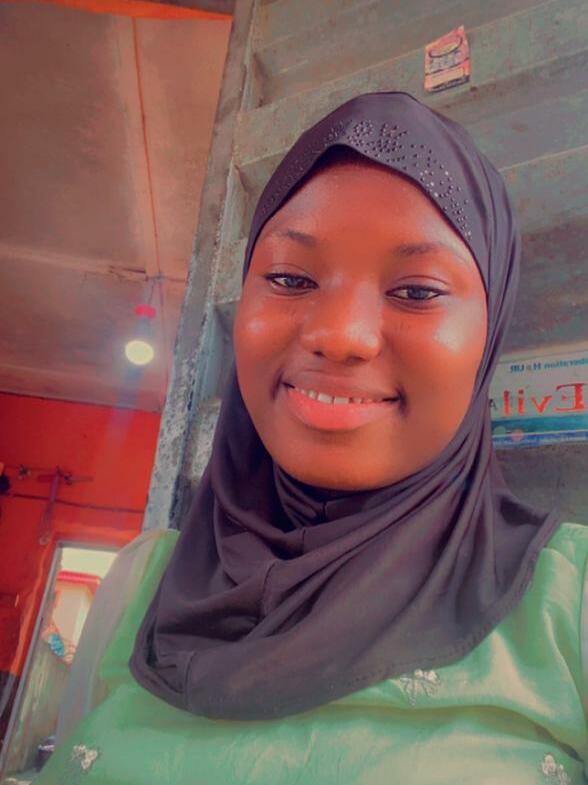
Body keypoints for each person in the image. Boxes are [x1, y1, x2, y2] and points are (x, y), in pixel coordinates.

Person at [33, 92, 587, 785]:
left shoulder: (570, 602)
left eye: (417, 291)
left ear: (490, 331)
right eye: (290, 278)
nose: (339, 335)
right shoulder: (138, 587)